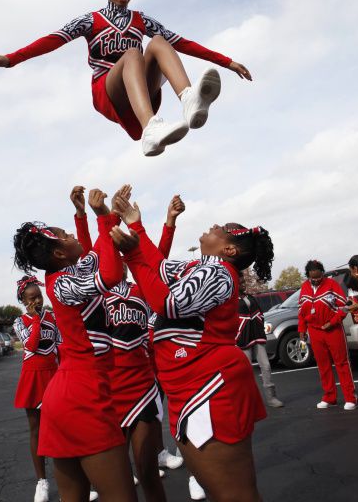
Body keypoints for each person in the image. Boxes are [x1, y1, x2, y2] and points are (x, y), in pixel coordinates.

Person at [0, 0, 252, 157]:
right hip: (108, 91)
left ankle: (189, 99)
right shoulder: (90, 21)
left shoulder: (142, 20)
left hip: (141, 92)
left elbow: (182, 43)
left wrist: (227, 62)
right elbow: (52, 40)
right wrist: (11, 59)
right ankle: (151, 128)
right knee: (134, 53)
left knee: (158, 41)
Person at [110, 197, 271, 502]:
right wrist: (135, 224)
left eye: (221, 229)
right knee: (225, 492)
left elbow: (168, 302)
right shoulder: (203, 266)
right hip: (194, 386)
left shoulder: (219, 272)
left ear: (229, 250)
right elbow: (157, 267)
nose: (213, 225)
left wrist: (131, 256)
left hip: (209, 388)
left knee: (234, 494)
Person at [13, 188, 137, 502]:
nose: (72, 235)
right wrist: (102, 217)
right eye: (66, 235)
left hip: (66, 393)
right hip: (83, 394)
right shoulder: (64, 282)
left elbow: (90, 253)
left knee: (75, 497)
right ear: (58, 254)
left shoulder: (65, 272)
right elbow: (108, 270)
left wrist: (82, 215)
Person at [69, 185, 184, 502]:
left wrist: (169, 221)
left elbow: (156, 258)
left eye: (120, 253)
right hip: (107, 390)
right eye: (110, 252)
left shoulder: (140, 291)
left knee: (147, 473)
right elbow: (86, 252)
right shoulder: (95, 292)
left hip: (143, 387)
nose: (115, 257)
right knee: (118, 482)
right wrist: (85, 215)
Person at [13, 276, 60, 502]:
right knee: (36, 430)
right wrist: (36, 320)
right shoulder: (19, 321)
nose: (37, 301)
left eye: (39, 296)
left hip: (53, 375)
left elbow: (60, 348)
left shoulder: (53, 317)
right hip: (32, 377)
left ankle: (71, 481)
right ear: (23, 300)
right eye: (32, 298)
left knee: (62, 429)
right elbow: (31, 345)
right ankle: (42, 481)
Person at [298, 260, 357, 410]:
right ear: (308, 276)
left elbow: (344, 307)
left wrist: (332, 322)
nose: (317, 281)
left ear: (323, 273)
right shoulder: (304, 287)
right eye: (313, 278)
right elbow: (301, 312)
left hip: (333, 330)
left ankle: (350, 398)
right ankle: (329, 397)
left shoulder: (332, 285)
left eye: (319, 277)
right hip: (314, 331)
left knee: (342, 363)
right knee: (323, 365)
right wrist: (302, 330)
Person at [236, 274, 284, 408]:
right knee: (245, 371)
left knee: (266, 366)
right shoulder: (230, 300)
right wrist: (238, 333)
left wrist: (259, 327)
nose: (243, 284)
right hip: (243, 340)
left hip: (257, 336)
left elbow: (260, 315)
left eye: (244, 281)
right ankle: (249, 401)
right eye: (240, 282)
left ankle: (271, 398)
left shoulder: (250, 297)